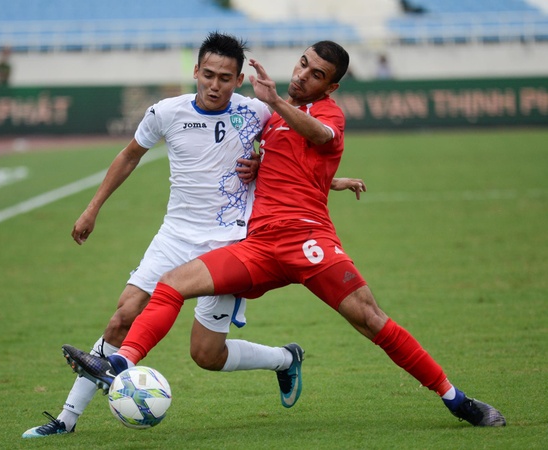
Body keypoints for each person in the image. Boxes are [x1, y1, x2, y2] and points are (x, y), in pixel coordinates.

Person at [64, 40, 506, 428]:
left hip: (310, 243)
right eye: (302, 64)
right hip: (255, 246)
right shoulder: (267, 120)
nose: (303, 76)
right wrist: (324, 176)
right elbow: (292, 165)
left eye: (317, 75)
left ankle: (456, 400)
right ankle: (121, 362)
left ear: (330, 87)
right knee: (173, 286)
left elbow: (319, 136)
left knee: (372, 320)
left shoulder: (319, 113)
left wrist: (277, 103)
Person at [23, 32, 366, 438]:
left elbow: (292, 163)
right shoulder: (165, 112)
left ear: (239, 80)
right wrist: (92, 208)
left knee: (206, 354)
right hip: (175, 236)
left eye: (225, 77)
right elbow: (129, 155)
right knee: (122, 315)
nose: (215, 85)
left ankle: (283, 359)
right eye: (208, 75)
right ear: (196, 72)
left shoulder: (258, 113)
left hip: (232, 244)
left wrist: (334, 180)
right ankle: (66, 419)